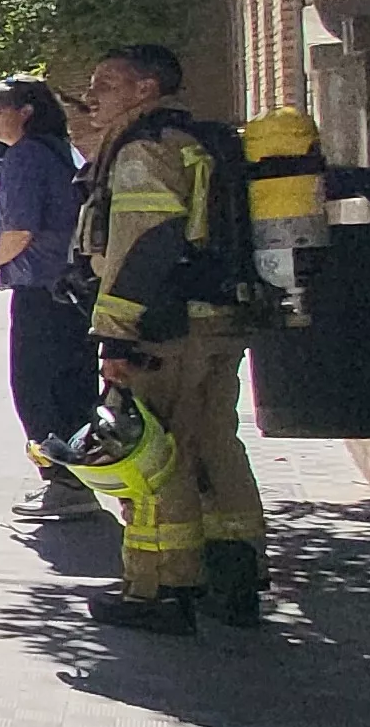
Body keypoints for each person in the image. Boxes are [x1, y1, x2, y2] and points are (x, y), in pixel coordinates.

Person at [71, 44, 267, 632]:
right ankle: (236, 577)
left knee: (156, 458)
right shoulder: (193, 143)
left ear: (145, 89)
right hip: (217, 320)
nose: (93, 94)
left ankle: (159, 588)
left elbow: (143, 247)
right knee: (214, 443)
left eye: (107, 82)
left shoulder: (142, 151)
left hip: (165, 329)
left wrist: (117, 337)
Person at [0, 77, 99, 519]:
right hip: (74, 291)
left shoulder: (25, 156)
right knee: (75, 387)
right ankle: (80, 479)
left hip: (41, 292)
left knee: (35, 389)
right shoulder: (60, 151)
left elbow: (20, 230)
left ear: (24, 112)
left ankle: (63, 484)